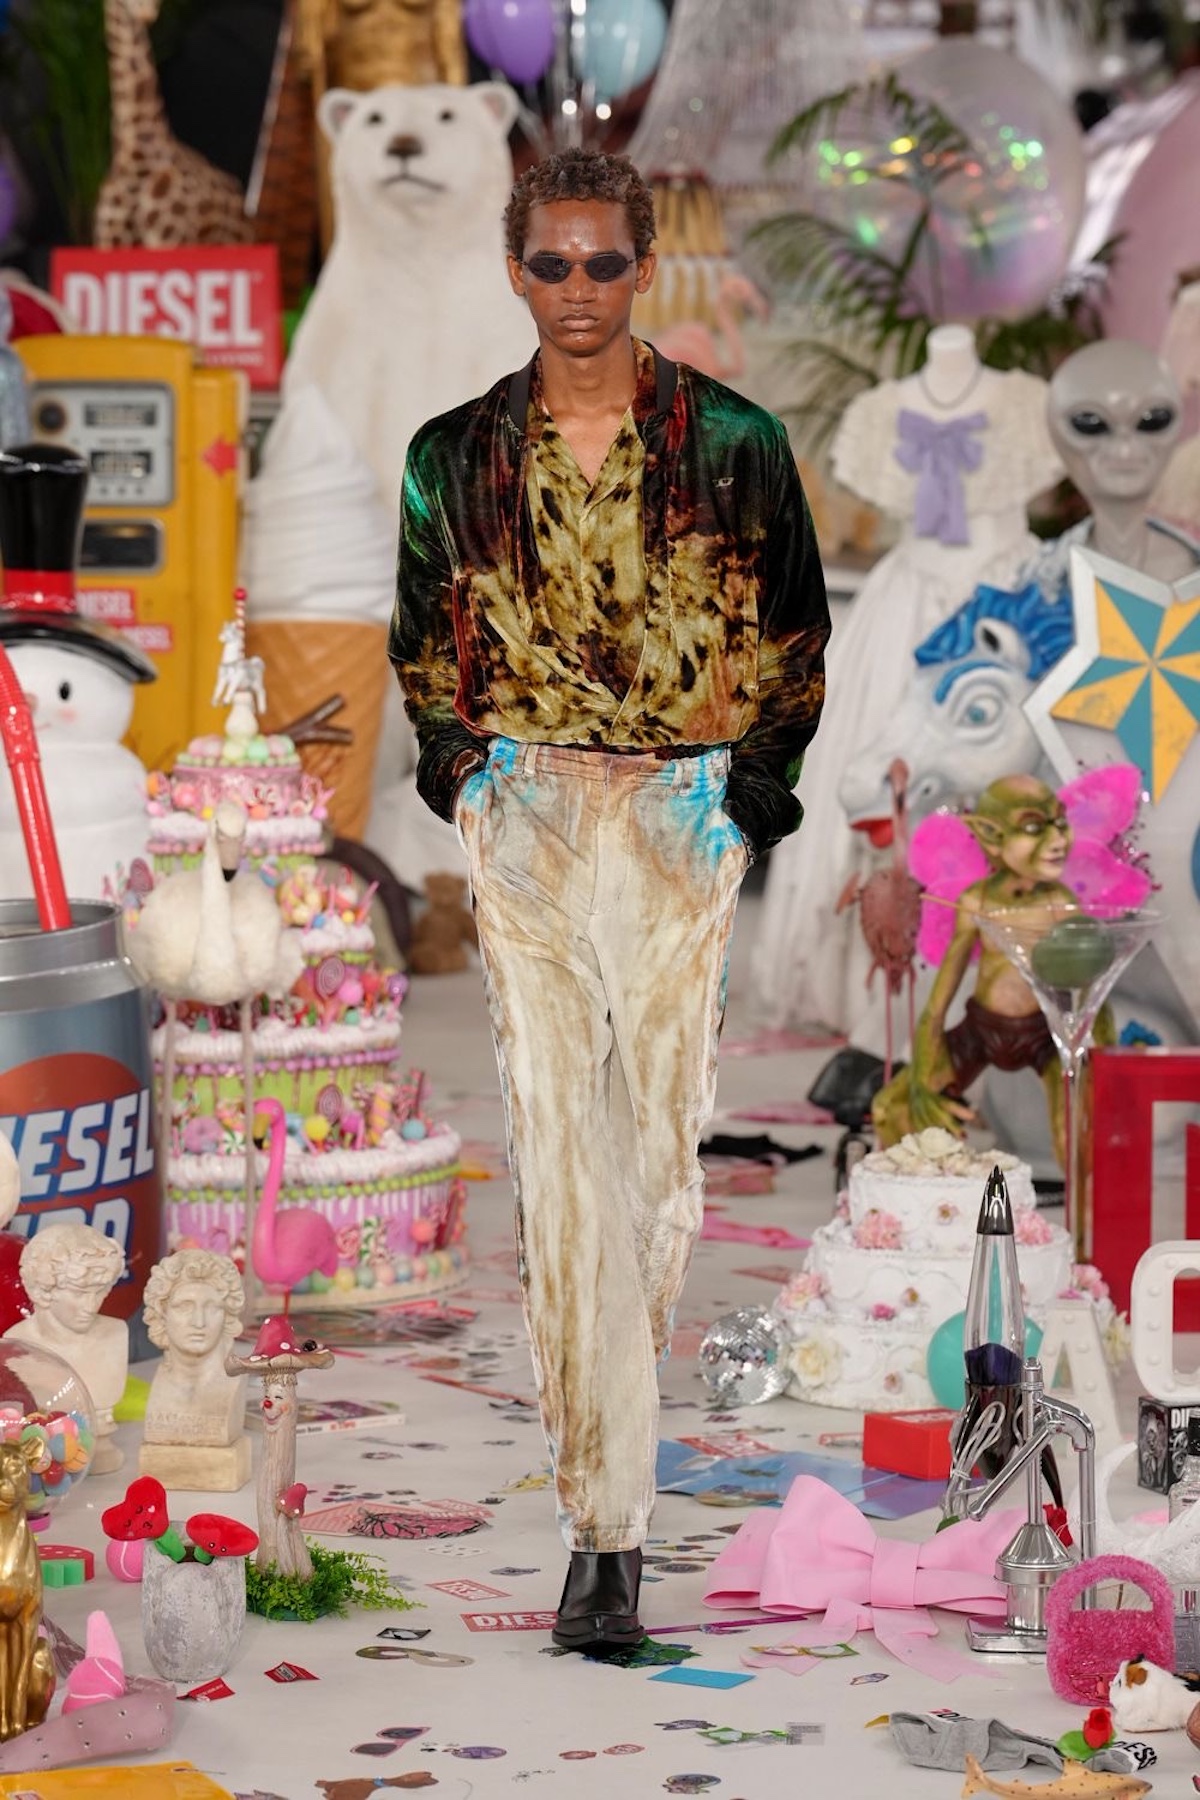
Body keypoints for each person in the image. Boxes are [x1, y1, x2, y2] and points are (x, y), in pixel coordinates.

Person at [389, 147, 829, 1653]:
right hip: (525, 812)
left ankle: (610, 1462)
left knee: (654, 1162)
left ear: (644, 265)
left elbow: (795, 640)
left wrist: (745, 801)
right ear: (514, 270)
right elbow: (420, 650)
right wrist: (467, 777)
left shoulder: (739, 445)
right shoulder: (452, 455)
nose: (578, 289)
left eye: (604, 262)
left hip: (677, 814)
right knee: (560, 1152)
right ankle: (608, 1532)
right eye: (550, 262)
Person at [142, 1248, 246, 1452]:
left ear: (227, 1314)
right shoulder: (160, 1387)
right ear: (162, 1313)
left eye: (212, 1308)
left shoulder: (233, 1383)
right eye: (184, 1307)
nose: (199, 1322)